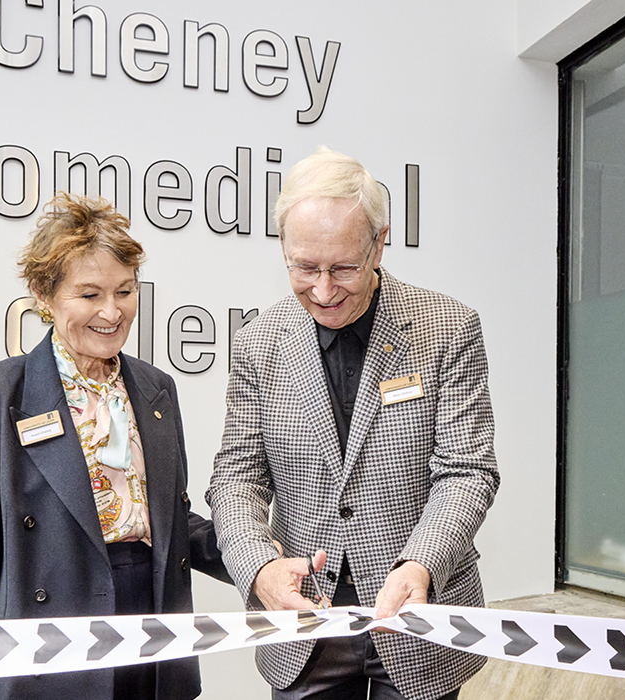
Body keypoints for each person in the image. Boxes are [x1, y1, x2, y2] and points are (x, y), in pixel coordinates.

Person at [206, 147, 500, 700]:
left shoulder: (448, 328)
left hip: (418, 619)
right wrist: (258, 569)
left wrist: (422, 564)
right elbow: (236, 478)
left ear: (379, 243)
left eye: (342, 267)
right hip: (305, 625)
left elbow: (467, 472)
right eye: (304, 267)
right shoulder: (257, 343)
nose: (322, 290)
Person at [0, 192, 230, 700]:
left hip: (155, 624)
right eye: (90, 294)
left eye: (124, 291)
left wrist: (260, 561)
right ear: (43, 294)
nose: (112, 311)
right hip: (54, 637)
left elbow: (170, 521)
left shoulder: (156, 388)